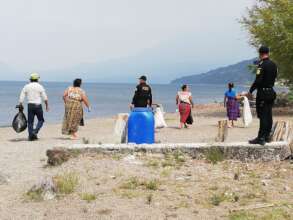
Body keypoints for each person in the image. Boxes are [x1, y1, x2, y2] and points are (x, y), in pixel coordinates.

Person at [248, 46, 278, 145]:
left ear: (260, 53)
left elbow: (258, 81)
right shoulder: (274, 64)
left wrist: (250, 91)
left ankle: (261, 138)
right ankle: (268, 136)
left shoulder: (262, 65)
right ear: (268, 52)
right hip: (271, 92)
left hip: (263, 93)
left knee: (263, 115)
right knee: (269, 114)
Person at [19, 73, 49, 141]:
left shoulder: (26, 86)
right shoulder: (40, 86)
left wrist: (20, 103)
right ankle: (35, 132)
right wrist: (47, 105)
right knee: (41, 120)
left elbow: (22, 96)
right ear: (37, 79)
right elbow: (45, 97)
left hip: (30, 105)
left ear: (30, 79)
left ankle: (30, 136)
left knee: (30, 122)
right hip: (38, 105)